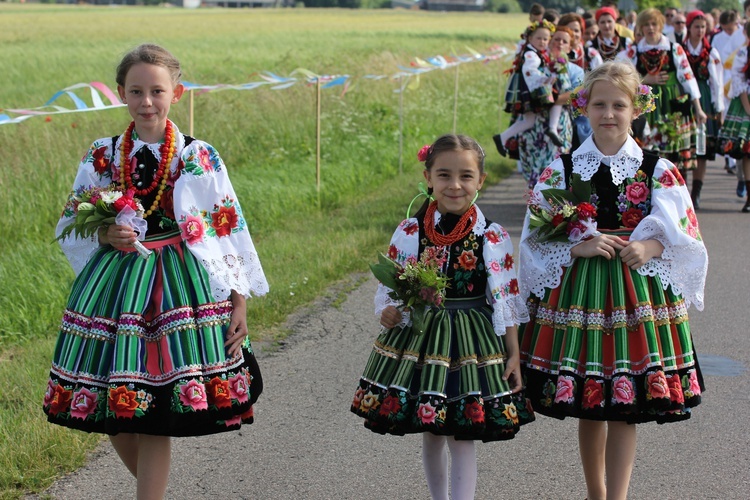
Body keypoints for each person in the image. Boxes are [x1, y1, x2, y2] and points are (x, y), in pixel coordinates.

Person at [43, 44, 269, 498]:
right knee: (117, 411)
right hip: (116, 287)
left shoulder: (197, 155)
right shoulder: (103, 155)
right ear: (122, 95)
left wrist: (238, 297)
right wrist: (106, 236)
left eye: (157, 91)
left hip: (179, 290)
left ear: (177, 93)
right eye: (136, 91)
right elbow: (72, 219)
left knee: (156, 413)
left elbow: (227, 227)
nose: (147, 101)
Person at [518, 61, 707, 500]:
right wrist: (574, 246)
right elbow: (534, 234)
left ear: (636, 108)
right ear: (583, 107)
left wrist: (651, 248)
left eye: (618, 104)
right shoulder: (562, 168)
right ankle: (595, 493)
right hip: (580, 295)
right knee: (590, 400)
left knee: (628, 404)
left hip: (636, 293)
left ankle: (617, 497)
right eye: (599, 104)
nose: (609, 113)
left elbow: (685, 230)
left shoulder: (658, 168)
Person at [351, 134, 534, 499]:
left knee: (463, 433)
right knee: (432, 428)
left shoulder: (491, 234)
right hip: (421, 337)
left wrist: (513, 353)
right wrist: (388, 311)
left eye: (466, 176)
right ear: (428, 178)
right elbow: (393, 285)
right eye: (444, 175)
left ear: (480, 181)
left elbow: (505, 297)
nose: (455, 185)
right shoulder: (411, 230)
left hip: (471, 341)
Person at [621, 8, 707, 172]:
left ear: (660, 25)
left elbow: (687, 77)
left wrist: (698, 108)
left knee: (675, 149)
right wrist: (645, 80)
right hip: (646, 106)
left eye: (654, 24)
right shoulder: (633, 52)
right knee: (647, 149)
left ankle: (680, 189)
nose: (650, 28)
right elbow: (623, 78)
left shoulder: (674, 49)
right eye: (646, 25)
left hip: (672, 103)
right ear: (641, 28)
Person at [495, 20, 560, 154]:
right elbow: (530, 71)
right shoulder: (532, 55)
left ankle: (502, 138)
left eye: (545, 39)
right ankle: (552, 128)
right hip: (529, 90)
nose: (542, 42)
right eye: (538, 38)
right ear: (530, 38)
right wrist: (545, 79)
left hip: (528, 88)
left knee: (529, 120)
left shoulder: (536, 53)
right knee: (555, 101)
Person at [682, 10, 725, 209]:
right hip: (682, 99)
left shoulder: (711, 52)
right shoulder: (679, 49)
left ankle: (696, 193)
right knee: (683, 147)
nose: (700, 31)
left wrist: (718, 108)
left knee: (702, 148)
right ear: (689, 28)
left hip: (704, 98)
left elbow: (717, 82)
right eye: (696, 27)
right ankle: (681, 192)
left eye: (703, 27)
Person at [717, 20, 750, 212]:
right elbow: (738, 82)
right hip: (746, 103)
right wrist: (747, 108)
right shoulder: (743, 53)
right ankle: (748, 196)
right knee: (746, 153)